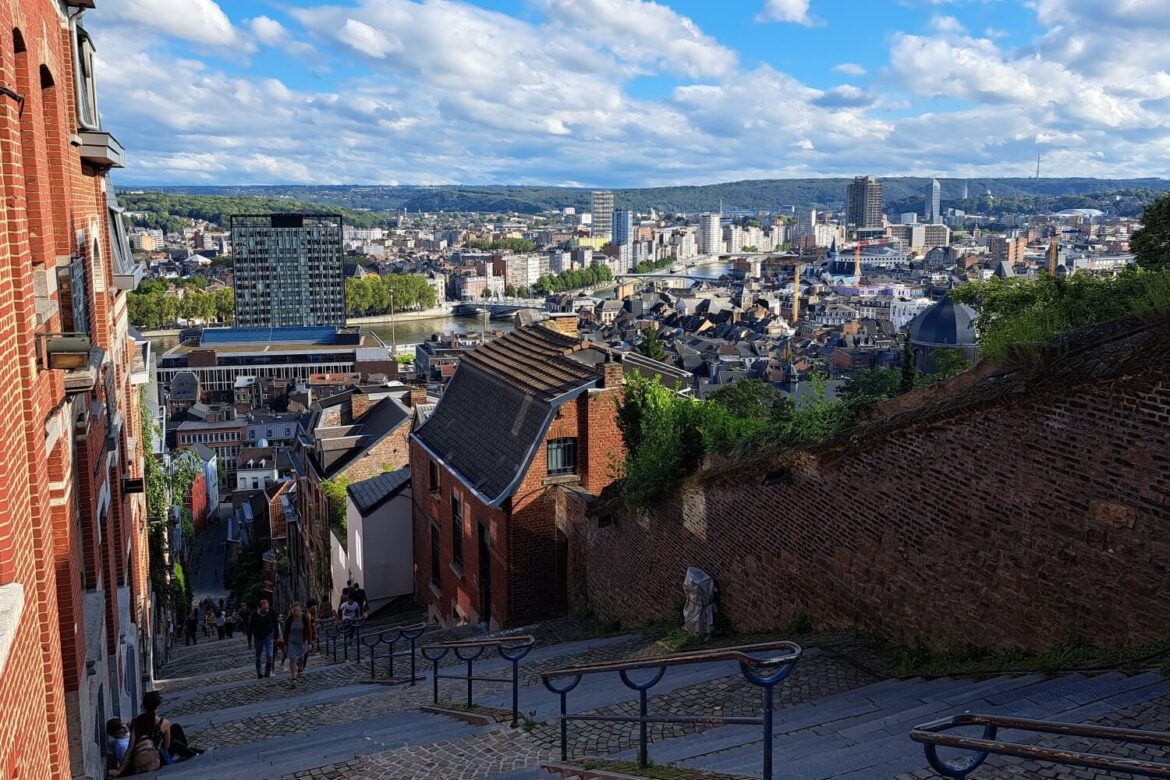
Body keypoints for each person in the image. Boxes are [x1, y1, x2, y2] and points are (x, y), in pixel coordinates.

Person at [110, 691, 198, 776]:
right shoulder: (164, 723)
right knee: (175, 736)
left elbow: (130, 749)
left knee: (175, 728)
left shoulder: (136, 722)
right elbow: (166, 746)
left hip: (140, 755)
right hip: (157, 758)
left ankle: (188, 750)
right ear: (157, 706)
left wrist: (119, 770)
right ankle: (190, 752)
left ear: (144, 706)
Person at [283, 603, 314, 684]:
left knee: (301, 658)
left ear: (300, 610)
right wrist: (285, 644)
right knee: (292, 658)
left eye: (297, 610)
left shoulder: (304, 618)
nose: (296, 613)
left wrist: (310, 643)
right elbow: (286, 632)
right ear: (292, 612)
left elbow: (309, 630)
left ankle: (300, 666)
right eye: (294, 611)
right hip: (292, 641)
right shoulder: (289, 619)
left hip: (301, 641)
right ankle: (294, 676)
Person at [249, 599, 277, 679]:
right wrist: (249, 641)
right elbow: (250, 628)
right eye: (265, 608)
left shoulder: (271, 612)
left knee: (270, 655)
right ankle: (259, 672)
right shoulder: (254, 614)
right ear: (260, 607)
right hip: (258, 637)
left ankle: (267, 671)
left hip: (269, 636)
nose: (266, 610)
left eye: (267, 608)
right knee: (258, 656)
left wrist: (277, 636)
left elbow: (275, 624)